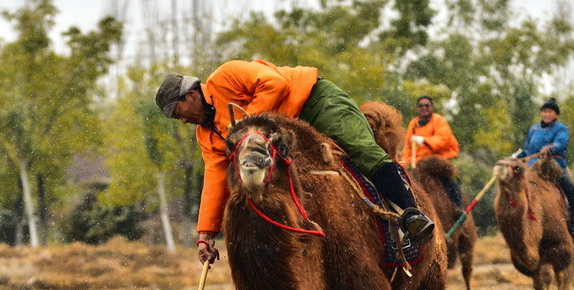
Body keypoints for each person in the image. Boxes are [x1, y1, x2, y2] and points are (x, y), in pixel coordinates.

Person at [156, 60, 435, 263]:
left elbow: (274, 83)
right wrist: (205, 233)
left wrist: (244, 126)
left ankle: (411, 214)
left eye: (177, 112)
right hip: (286, 135)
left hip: (312, 103)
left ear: (191, 95)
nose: (181, 120)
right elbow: (216, 179)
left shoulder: (226, 76)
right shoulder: (205, 135)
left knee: (362, 151)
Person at [518, 98, 574, 235]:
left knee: (570, 189)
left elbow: (561, 143)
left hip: (554, 165)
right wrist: (514, 159)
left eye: (550, 111)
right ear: (542, 113)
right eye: (545, 111)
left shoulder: (561, 128)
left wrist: (550, 148)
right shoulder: (533, 129)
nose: (547, 114)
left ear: (556, 114)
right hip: (532, 167)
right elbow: (526, 150)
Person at [402, 95, 464, 208]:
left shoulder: (439, 120)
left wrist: (425, 140)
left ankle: (457, 205)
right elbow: (408, 146)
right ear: (417, 108)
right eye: (421, 105)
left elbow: (443, 139)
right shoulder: (414, 123)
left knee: (448, 177)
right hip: (419, 161)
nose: (424, 107)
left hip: (439, 157)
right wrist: (404, 164)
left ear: (432, 107)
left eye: (427, 105)